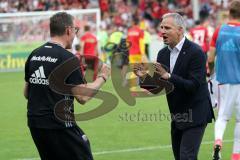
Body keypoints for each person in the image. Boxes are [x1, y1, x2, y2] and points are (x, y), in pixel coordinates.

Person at [23, 12, 110, 160]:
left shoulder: (34, 54)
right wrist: (103, 76)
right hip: (59, 125)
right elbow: (82, 97)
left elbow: (27, 92)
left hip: (35, 124)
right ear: (69, 30)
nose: (75, 35)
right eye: (75, 30)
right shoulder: (68, 58)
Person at [134, 13, 214, 160]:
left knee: (186, 157)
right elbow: (161, 87)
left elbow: (193, 86)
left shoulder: (196, 52)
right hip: (177, 115)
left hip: (196, 113)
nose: (162, 31)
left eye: (167, 28)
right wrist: (143, 78)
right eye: (162, 27)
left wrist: (169, 76)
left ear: (180, 30)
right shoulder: (162, 54)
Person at [208, 1, 240, 160]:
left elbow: (210, 58)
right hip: (239, 82)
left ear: (229, 12)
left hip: (223, 81)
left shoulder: (219, 30)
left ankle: (218, 141)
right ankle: (236, 155)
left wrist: (211, 72)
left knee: (222, 116)